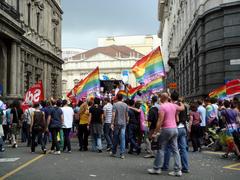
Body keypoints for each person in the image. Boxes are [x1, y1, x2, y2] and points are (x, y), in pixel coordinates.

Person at [148, 92, 184, 177]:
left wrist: (155, 132)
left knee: (161, 149)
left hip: (166, 129)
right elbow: (182, 108)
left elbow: (160, 121)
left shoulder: (162, 107)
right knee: (175, 150)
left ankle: (157, 168)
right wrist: (180, 101)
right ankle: (178, 170)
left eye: (160, 98)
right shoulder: (174, 105)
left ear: (162, 98)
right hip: (175, 129)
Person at [162, 92, 189, 173]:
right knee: (183, 149)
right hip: (183, 128)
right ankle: (185, 167)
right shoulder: (182, 105)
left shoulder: (172, 106)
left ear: (171, 97)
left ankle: (165, 166)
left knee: (168, 148)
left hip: (175, 128)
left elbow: (176, 117)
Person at [111, 94, 129, 159]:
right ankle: (122, 154)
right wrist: (127, 121)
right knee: (122, 138)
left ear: (117, 98)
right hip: (123, 123)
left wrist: (112, 123)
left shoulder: (115, 105)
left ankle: (114, 152)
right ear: (122, 98)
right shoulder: (125, 105)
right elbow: (127, 115)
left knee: (115, 138)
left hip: (117, 123)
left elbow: (113, 115)